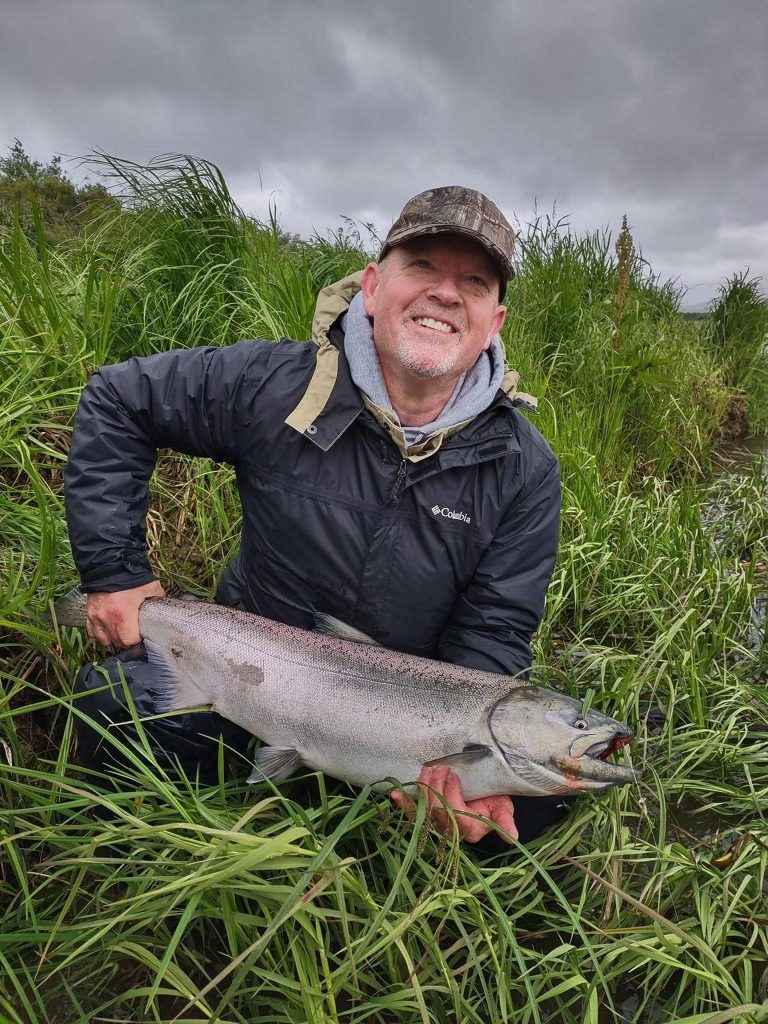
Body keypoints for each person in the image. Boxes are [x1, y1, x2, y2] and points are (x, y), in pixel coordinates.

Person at [64, 185, 565, 851]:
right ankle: (137, 864)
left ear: (493, 321)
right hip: (244, 684)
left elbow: (495, 628)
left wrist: (457, 761)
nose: (445, 293)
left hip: (404, 728)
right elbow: (117, 400)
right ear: (371, 286)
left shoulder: (523, 467)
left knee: (525, 809)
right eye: (422, 267)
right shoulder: (273, 384)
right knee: (109, 711)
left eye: (472, 282)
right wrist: (114, 570)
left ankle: (384, 822)